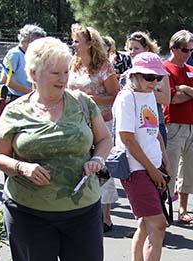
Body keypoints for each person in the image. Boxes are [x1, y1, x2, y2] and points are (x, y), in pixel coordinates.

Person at [0, 36, 112, 261]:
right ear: (34, 74)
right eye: (55, 72)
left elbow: (104, 140)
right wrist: (22, 167)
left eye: (66, 72)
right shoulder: (15, 111)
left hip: (82, 209)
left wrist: (97, 159)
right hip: (29, 212)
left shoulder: (82, 103)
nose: (63, 78)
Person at [114, 52, 180, 261]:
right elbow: (127, 138)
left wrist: (164, 161)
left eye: (157, 77)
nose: (155, 81)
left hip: (150, 167)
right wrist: (152, 169)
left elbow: (155, 131)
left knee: (145, 223)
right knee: (158, 225)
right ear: (135, 75)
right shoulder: (126, 97)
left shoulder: (148, 95)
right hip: (136, 169)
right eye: (150, 77)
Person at [68, 23, 119, 233]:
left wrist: (89, 98)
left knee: (100, 167)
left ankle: (105, 216)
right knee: (81, 165)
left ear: (89, 43)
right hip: (76, 124)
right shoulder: (74, 64)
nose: (73, 44)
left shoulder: (104, 67)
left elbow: (115, 95)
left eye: (77, 41)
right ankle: (83, 211)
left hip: (101, 123)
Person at [163, 30, 193, 225]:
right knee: (170, 168)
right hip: (173, 124)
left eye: (191, 49)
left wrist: (186, 89)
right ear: (173, 48)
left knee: (190, 168)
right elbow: (172, 98)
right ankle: (165, 209)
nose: (188, 53)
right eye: (184, 49)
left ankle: (183, 210)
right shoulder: (164, 68)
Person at [126, 31, 170, 145]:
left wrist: (144, 90)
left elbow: (166, 99)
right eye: (130, 49)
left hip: (154, 124)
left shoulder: (159, 70)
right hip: (132, 124)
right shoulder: (127, 73)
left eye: (136, 48)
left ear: (146, 49)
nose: (132, 52)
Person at [1, 24, 46, 103]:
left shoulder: (31, 56)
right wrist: (29, 91)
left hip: (29, 98)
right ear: (29, 41)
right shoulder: (15, 54)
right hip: (16, 99)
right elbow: (5, 79)